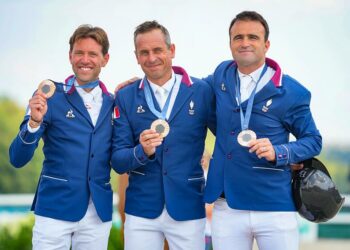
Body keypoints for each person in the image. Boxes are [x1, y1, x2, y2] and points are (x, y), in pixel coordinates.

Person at [203, 11, 322, 250]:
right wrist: (140, 84)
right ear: (230, 43)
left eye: (252, 37)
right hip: (227, 207)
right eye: (238, 37)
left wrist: (279, 151)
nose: (245, 43)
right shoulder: (220, 76)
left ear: (266, 44)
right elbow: (187, 91)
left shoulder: (292, 91)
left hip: (274, 207)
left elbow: (313, 140)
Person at [111, 20, 216, 250]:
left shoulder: (202, 91)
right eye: (144, 52)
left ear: (172, 50)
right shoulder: (125, 97)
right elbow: (118, 161)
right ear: (136, 56)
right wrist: (141, 151)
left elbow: (228, 135)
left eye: (158, 50)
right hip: (141, 211)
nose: (151, 58)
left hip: (188, 206)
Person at [9, 24, 114, 250]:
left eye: (92, 54)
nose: (85, 59)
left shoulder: (114, 103)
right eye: (79, 52)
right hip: (54, 210)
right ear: (70, 56)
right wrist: (34, 123)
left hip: (97, 212)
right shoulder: (48, 97)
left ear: (105, 59)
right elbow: (17, 158)